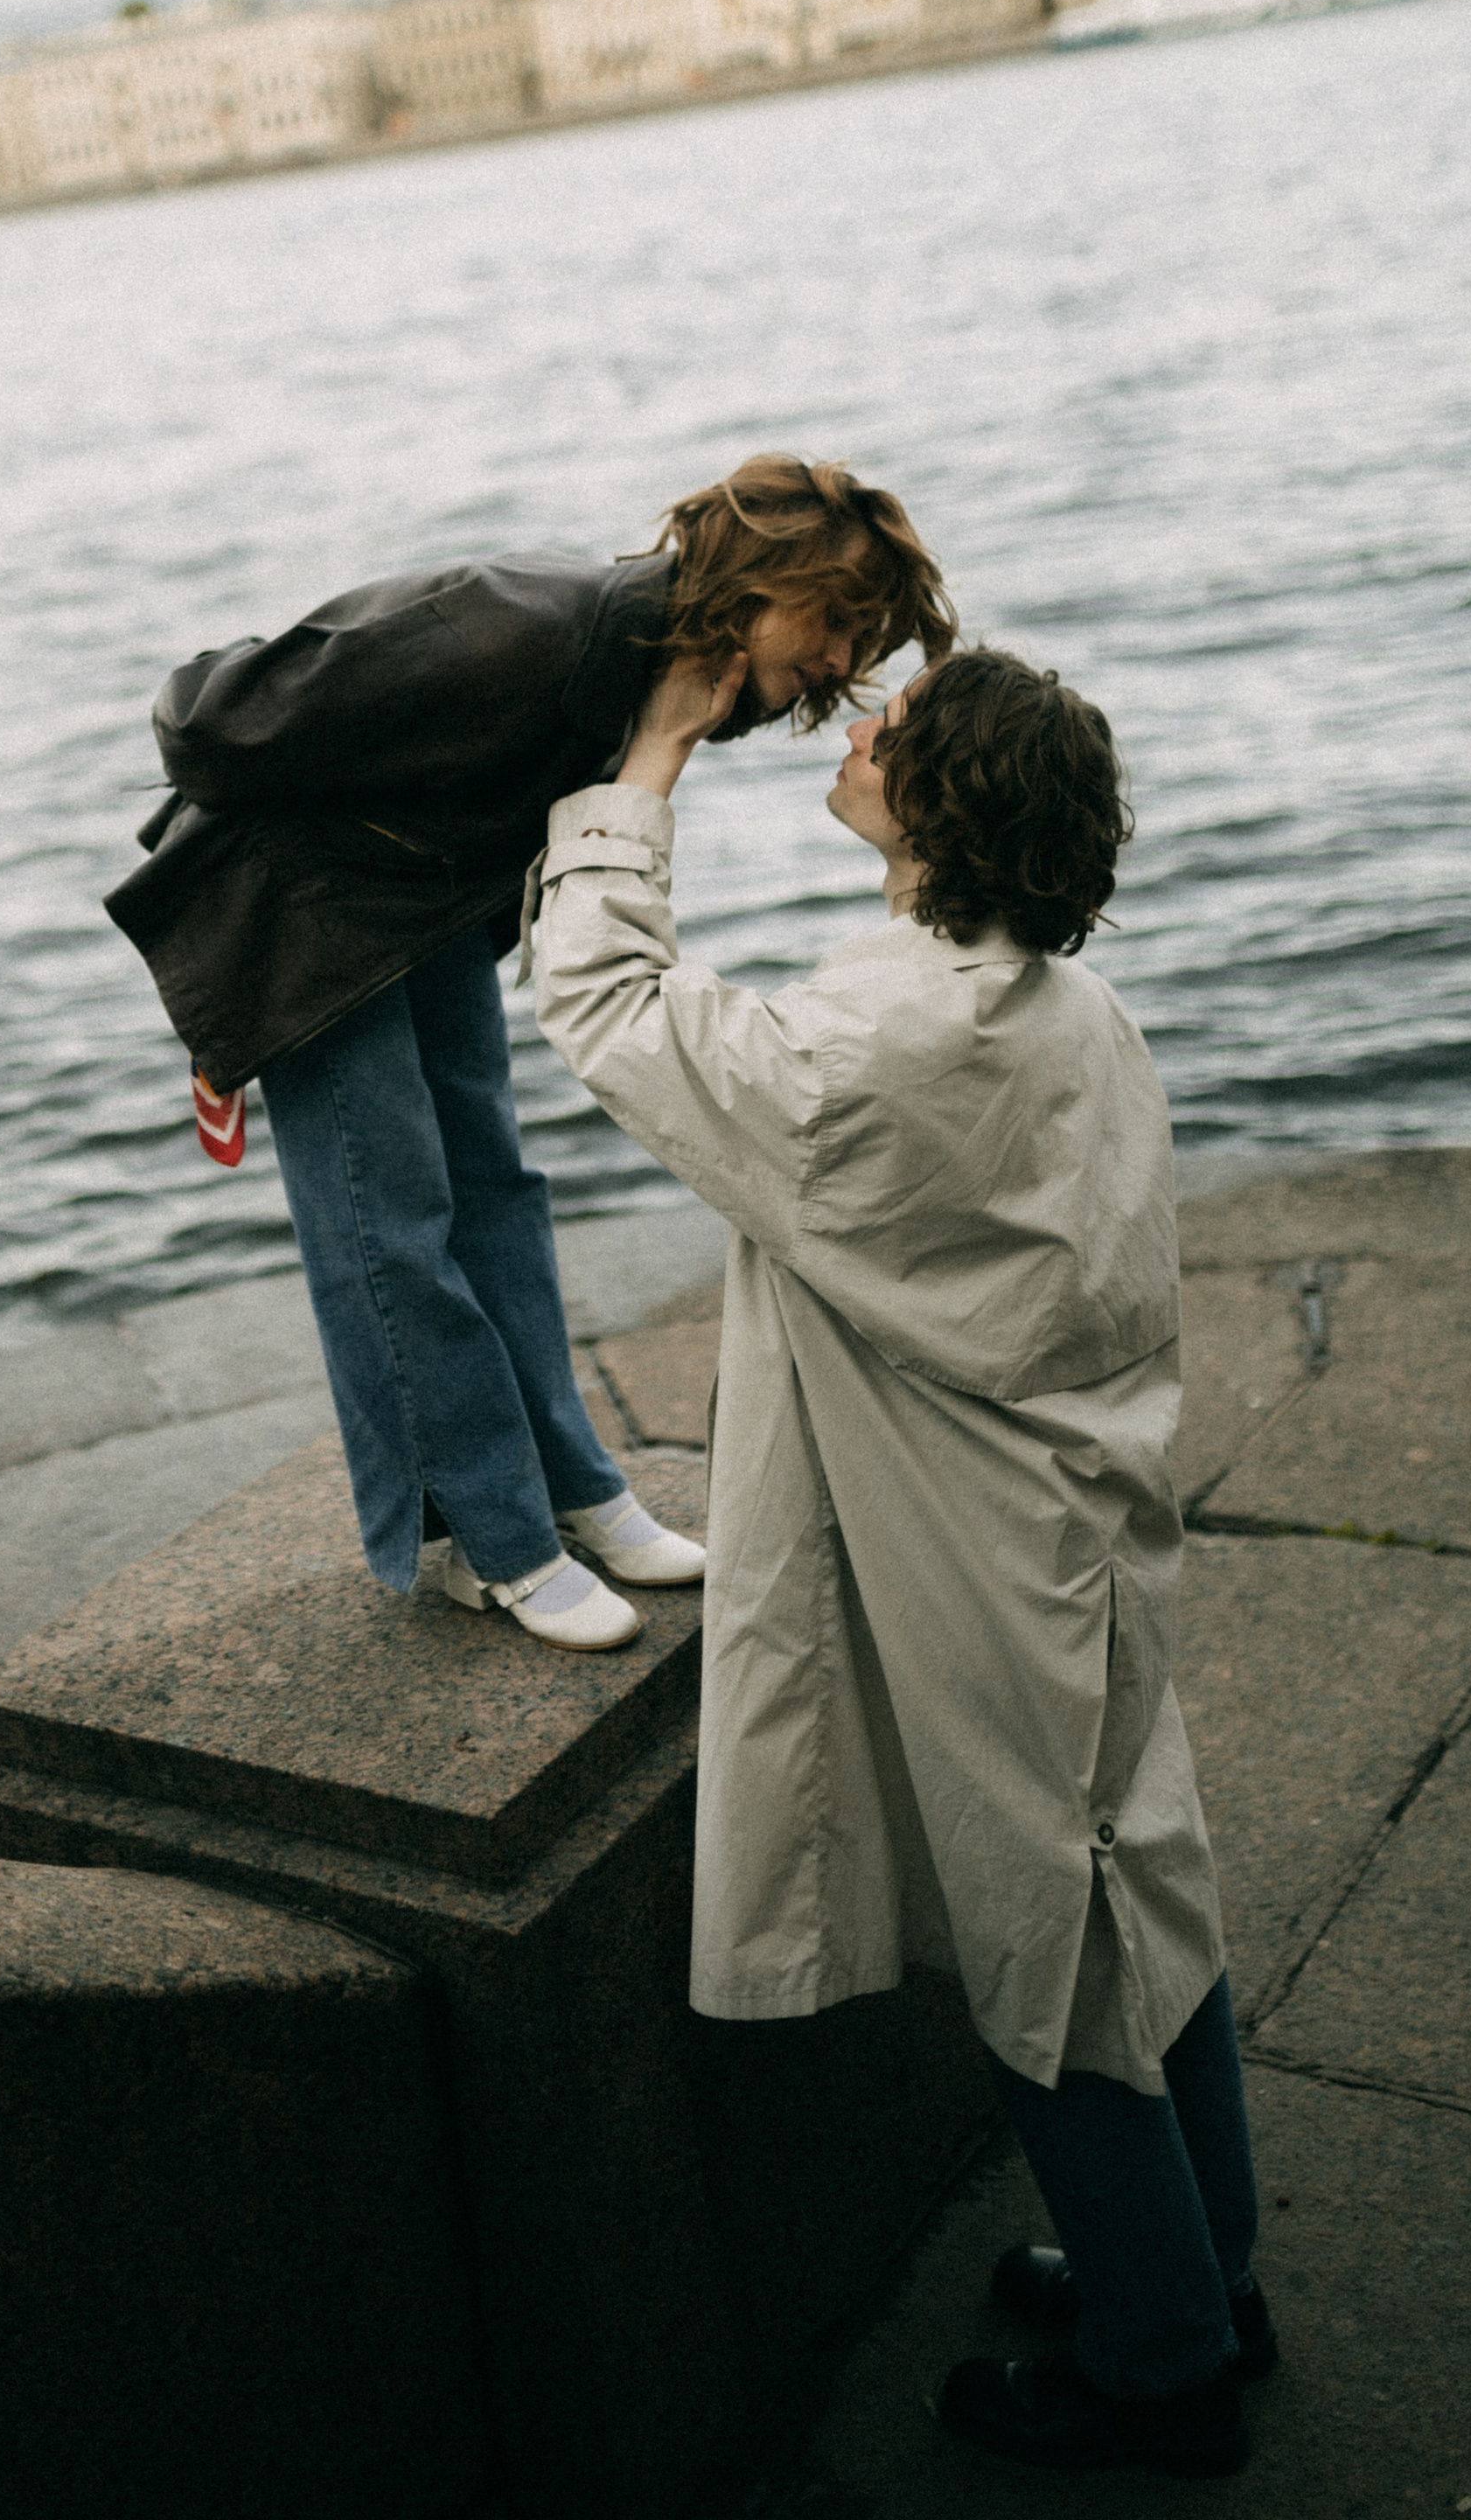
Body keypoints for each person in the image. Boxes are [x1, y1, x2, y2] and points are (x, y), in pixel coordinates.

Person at [530, 643, 1272, 2477]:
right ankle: (1203, 2270)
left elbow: (609, 1007)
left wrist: (649, 760)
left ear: (938, 813)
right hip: (1078, 1521)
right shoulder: (1060, 1017)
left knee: (1051, 1942)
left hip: (984, 1558)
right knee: (1137, 1895)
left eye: (895, 732)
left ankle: (1161, 2360)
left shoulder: (879, 1048)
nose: (858, 730)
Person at [104, 456, 954, 1649]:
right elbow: (202, 712)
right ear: (758, 579)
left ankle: (573, 1486)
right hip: (301, 917)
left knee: (496, 1191)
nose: (837, 665)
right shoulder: (511, 626)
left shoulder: (662, 672)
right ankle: (490, 1541)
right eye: (834, 624)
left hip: (432, 905)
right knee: (384, 1221)